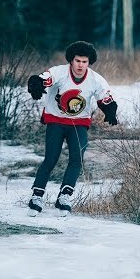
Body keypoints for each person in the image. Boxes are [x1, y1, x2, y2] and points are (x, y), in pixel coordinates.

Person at [26, 41, 118, 217]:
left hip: (79, 124)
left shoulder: (95, 79)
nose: (80, 65)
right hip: (56, 121)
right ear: (71, 60)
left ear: (89, 62)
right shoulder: (59, 72)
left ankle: (65, 196)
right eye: (77, 61)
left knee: (77, 159)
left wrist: (110, 110)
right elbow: (44, 79)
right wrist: (36, 83)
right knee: (51, 159)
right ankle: (37, 196)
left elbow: (105, 98)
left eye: (84, 61)